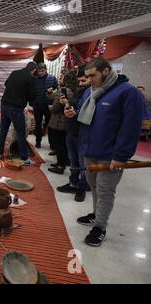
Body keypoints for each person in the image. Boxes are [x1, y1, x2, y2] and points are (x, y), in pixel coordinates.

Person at [64, 57, 144, 246]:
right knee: (94, 187)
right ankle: (95, 214)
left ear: (106, 71)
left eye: (93, 75)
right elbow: (84, 121)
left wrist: (121, 156)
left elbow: (130, 128)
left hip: (110, 155)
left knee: (105, 190)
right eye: (87, 76)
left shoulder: (128, 93)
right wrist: (72, 117)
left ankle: (100, 227)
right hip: (88, 150)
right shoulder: (89, 92)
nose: (89, 80)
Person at [57, 65, 90, 201]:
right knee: (73, 161)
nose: (81, 84)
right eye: (79, 81)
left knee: (83, 165)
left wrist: (75, 113)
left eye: (84, 80)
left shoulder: (95, 94)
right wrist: (66, 104)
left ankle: (82, 188)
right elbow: (75, 107)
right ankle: (73, 183)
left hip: (84, 134)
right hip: (72, 131)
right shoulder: (79, 91)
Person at [0, 62, 37, 164]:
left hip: (4, 105)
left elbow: (6, 85)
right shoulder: (31, 78)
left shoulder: (14, 73)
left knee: (3, 131)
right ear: (34, 70)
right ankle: (24, 158)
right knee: (20, 133)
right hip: (16, 108)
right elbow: (31, 97)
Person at [47, 71, 77, 174]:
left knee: (59, 145)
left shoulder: (62, 90)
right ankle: (63, 162)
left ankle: (60, 166)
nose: (60, 78)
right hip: (68, 121)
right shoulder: (75, 90)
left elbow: (55, 108)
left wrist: (49, 108)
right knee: (64, 144)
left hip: (58, 122)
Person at [33, 63, 58, 148]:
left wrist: (52, 91)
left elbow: (57, 90)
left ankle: (52, 145)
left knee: (50, 125)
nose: (40, 73)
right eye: (39, 71)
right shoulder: (35, 80)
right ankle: (38, 142)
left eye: (42, 71)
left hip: (49, 106)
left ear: (46, 70)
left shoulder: (52, 78)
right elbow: (32, 92)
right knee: (38, 124)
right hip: (37, 106)